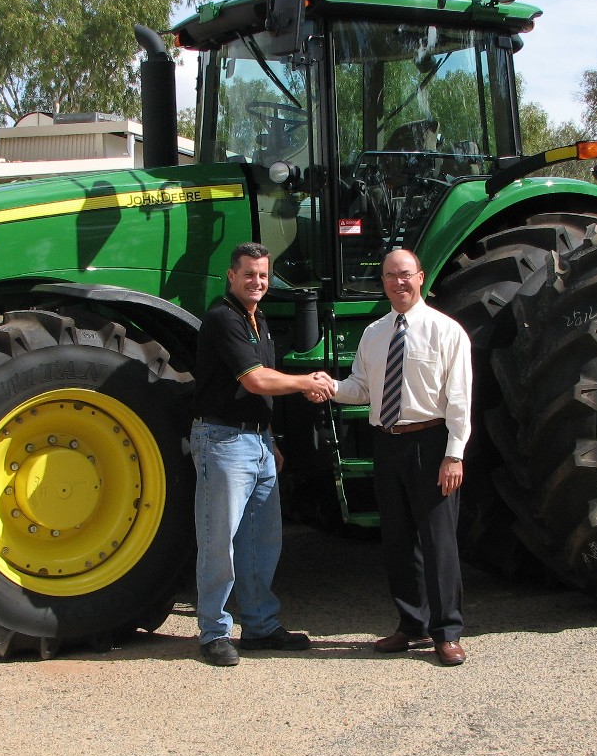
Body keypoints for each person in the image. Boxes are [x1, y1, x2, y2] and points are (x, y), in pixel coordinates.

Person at [322, 248, 472, 666]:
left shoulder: (446, 331)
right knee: (398, 540)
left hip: (431, 442)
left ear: (420, 278)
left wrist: (454, 455)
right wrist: (328, 386)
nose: (398, 282)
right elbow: (361, 390)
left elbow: (459, 400)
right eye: (390, 276)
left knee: (438, 542)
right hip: (386, 442)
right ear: (383, 282)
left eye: (405, 275)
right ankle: (411, 624)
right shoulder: (373, 334)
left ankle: (447, 632)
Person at [191, 241, 334, 667]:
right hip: (223, 442)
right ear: (231, 276)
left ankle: (260, 626)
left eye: (263, 276)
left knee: (261, 541)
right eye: (249, 274)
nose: (257, 282)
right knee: (220, 542)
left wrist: (270, 440)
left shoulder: (260, 321)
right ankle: (213, 633)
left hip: (255, 443)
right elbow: (255, 380)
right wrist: (306, 381)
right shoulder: (222, 318)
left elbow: (260, 389)